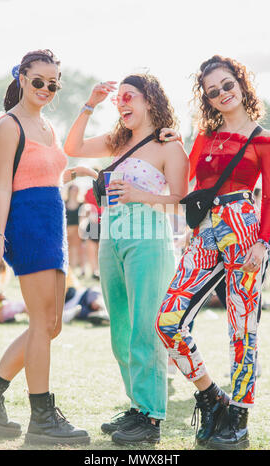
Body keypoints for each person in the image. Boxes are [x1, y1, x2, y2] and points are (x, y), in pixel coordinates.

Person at [155, 55, 270, 450]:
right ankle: (211, 397)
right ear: (207, 99)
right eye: (213, 91)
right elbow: (189, 180)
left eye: (228, 85)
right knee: (168, 321)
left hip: (245, 228)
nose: (223, 94)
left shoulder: (265, 138)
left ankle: (239, 418)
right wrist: (174, 142)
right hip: (205, 232)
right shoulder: (205, 137)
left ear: (241, 85)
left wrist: (263, 241)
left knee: (242, 330)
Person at [64, 74, 189, 444]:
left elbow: (182, 200)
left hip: (149, 239)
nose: (121, 103)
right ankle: (137, 407)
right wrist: (91, 103)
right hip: (111, 239)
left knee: (144, 329)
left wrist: (137, 194)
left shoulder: (170, 145)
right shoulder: (118, 141)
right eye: (119, 99)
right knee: (120, 330)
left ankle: (151, 420)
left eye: (129, 96)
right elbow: (73, 145)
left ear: (150, 99)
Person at [0, 49, 97, 445]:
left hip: (52, 221)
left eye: (53, 83)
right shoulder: (9, 124)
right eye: (38, 81)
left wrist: (75, 171)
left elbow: (45, 170)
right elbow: (2, 184)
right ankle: (42, 417)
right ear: (22, 78)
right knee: (39, 323)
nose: (46, 88)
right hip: (26, 222)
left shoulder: (46, 124)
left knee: (50, 325)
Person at [64, 184, 85, 272]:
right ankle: (69, 268)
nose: (75, 192)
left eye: (77, 190)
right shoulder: (64, 203)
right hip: (66, 229)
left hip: (77, 229)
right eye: (73, 190)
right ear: (69, 191)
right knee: (67, 248)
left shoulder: (82, 204)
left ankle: (78, 268)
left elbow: (83, 218)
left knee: (77, 249)